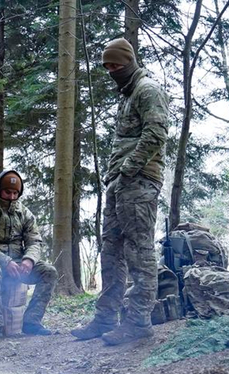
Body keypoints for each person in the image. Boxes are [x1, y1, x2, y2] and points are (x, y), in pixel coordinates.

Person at [71, 38, 169, 345]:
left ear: (129, 61)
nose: (112, 70)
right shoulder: (127, 95)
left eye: (116, 65)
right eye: (108, 66)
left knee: (139, 251)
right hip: (119, 183)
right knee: (110, 251)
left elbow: (156, 134)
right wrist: (116, 176)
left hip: (139, 181)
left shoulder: (147, 89)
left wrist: (129, 169)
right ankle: (104, 319)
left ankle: (138, 322)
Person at [0, 170, 57, 339]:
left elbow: (34, 241)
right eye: (7, 192)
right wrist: (6, 261)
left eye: (15, 193)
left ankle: (32, 322)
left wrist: (29, 260)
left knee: (49, 272)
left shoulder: (25, 213)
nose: (11, 196)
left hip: (19, 264)